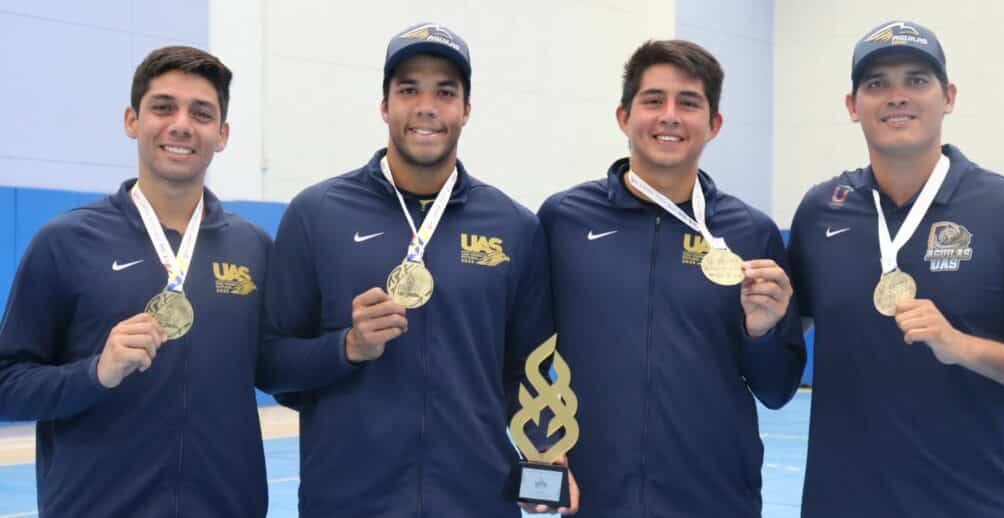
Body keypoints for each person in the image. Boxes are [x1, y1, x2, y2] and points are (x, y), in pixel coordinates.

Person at [258, 22, 576, 516]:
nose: (426, 105)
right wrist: (347, 348)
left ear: (466, 109)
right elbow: (272, 365)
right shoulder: (317, 214)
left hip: (475, 503)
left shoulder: (514, 226)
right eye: (409, 89)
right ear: (385, 105)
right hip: (349, 504)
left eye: (445, 92)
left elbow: (528, 373)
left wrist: (546, 458)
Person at [787, 20, 1004, 517]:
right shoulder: (821, 212)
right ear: (852, 106)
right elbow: (786, 347)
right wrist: (763, 321)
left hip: (978, 504)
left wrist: (963, 347)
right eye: (876, 83)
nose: (897, 95)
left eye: (916, 80)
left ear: (949, 96)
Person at [538, 39, 806, 517]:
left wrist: (762, 331)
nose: (669, 115)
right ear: (624, 116)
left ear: (714, 124)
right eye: (653, 100)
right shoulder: (564, 220)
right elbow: (523, 350)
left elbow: (777, 388)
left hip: (714, 496)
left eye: (689, 102)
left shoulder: (750, 232)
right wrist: (540, 447)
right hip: (593, 495)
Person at [0, 46, 271, 517]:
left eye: (201, 113)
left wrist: (346, 344)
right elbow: (6, 385)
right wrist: (94, 373)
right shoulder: (65, 243)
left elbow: (282, 369)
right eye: (163, 107)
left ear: (222, 134)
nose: (181, 124)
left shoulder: (254, 249)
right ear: (132, 120)